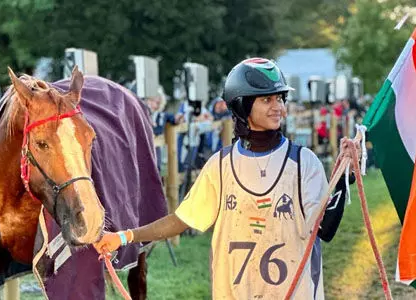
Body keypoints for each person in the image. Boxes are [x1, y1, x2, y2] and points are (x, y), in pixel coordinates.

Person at [94, 58, 353, 299]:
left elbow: (325, 228)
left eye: (280, 98)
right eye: (266, 100)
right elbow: (182, 220)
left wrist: (342, 177)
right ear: (242, 105)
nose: (278, 107)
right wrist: (124, 237)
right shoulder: (220, 166)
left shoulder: (303, 162)